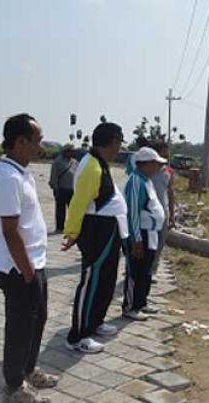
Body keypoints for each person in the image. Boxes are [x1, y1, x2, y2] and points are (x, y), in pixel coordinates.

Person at [0, 113, 58, 403]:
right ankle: (15, 387)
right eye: (37, 140)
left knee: (37, 320)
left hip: (33, 264)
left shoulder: (20, 172)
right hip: (19, 269)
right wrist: (28, 270)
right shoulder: (7, 177)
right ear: (20, 142)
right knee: (19, 328)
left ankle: (29, 370)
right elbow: (10, 230)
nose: (40, 146)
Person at [62, 122, 128, 353]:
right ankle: (78, 335)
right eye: (119, 143)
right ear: (111, 142)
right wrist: (71, 233)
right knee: (91, 281)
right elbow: (78, 202)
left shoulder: (100, 163)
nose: (119, 148)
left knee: (107, 279)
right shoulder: (91, 167)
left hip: (109, 228)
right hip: (97, 230)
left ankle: (96, 321)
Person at [122, 147, 167, 320]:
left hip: (152, 233)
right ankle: (130, 306)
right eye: (155, 164)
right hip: (141, 233)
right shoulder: (135, 181)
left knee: (146, 270)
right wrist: (137, 240)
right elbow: (132, 212)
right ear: (146, 164)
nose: (157, 168)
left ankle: (141, 302)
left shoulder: (146, 180)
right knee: (136, 271)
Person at [149, 141, 176, 277]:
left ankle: (153, 270)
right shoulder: (146, 171)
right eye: (163, 153)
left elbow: (171, 193)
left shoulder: (169, 172)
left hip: (162, 213)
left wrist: (172, 215)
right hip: (147, 214)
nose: (166, 156)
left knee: (159, 243)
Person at [49, 144, 77, 233]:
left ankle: (72, 227)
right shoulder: (57, 162)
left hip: (72, 189)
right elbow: (54, 176)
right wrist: (55, 188)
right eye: (70, 151)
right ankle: (60, 228)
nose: (72, 153)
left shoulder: (74, 162)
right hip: (61, 189)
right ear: (65, 151)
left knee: (73, 210)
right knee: (60, 210)